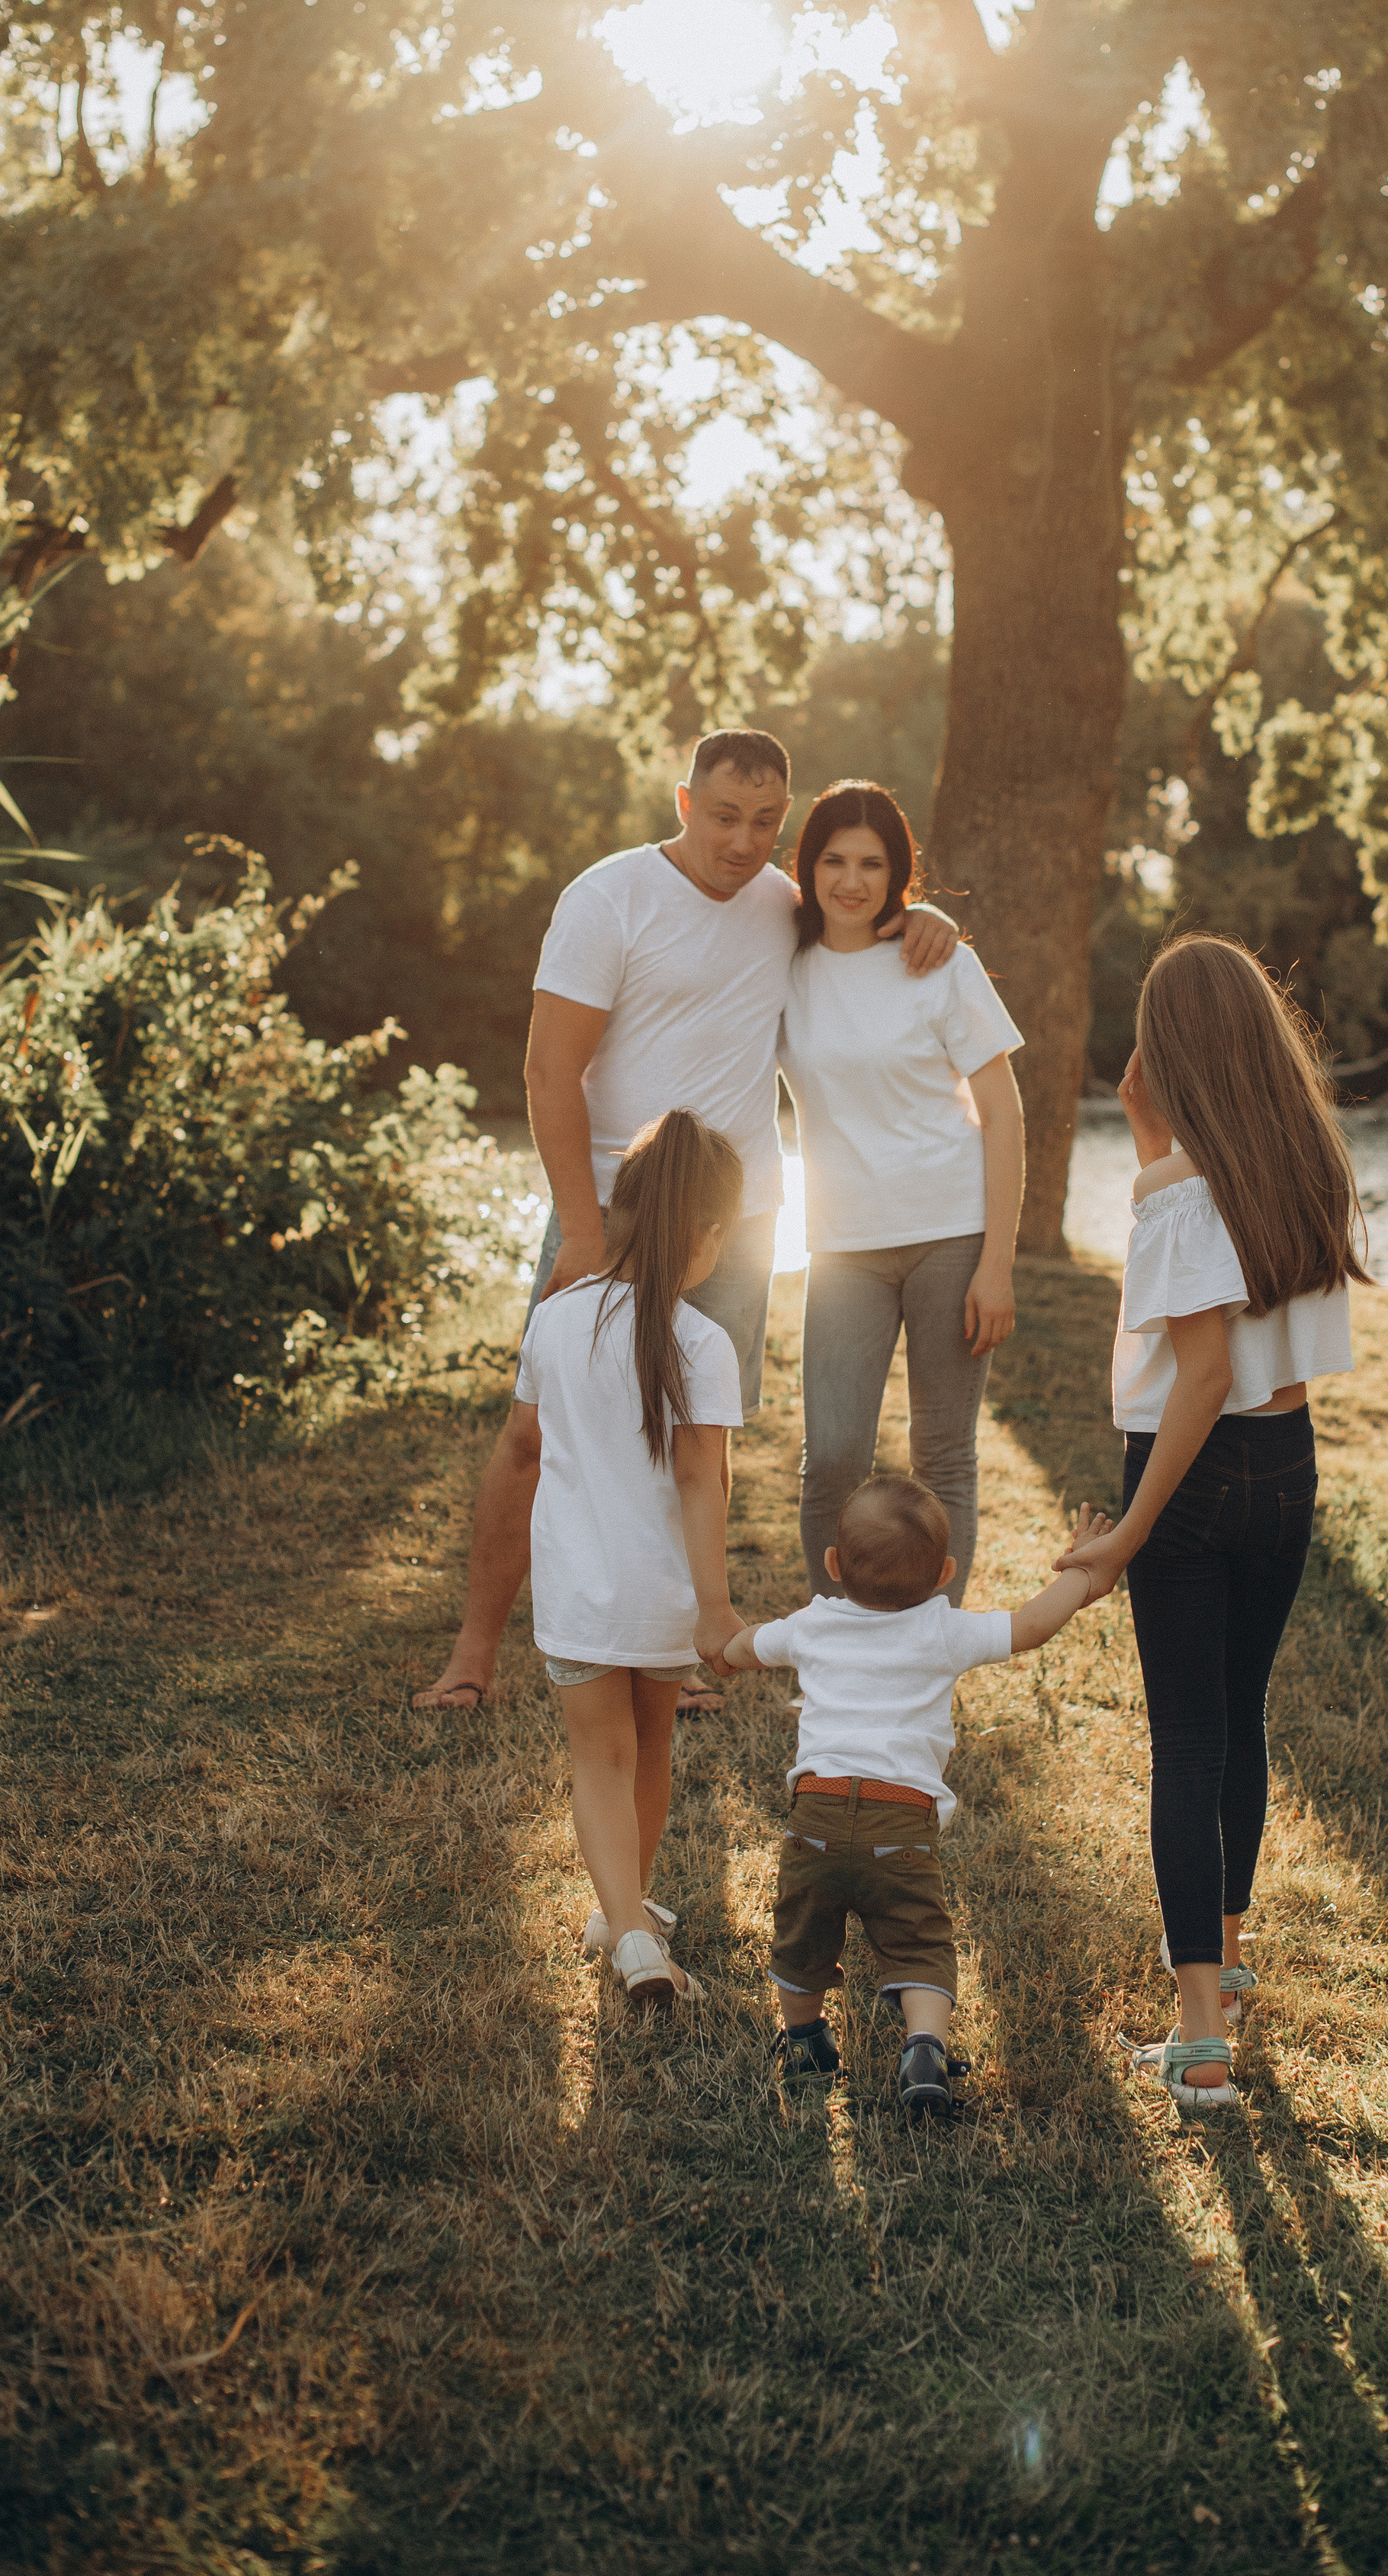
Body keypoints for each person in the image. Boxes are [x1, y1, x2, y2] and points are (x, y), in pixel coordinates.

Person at [413, 728, 956, 1715]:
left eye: (765, 822)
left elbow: (867, 919)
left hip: (737, 1222)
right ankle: (472, 1653)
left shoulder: (784, 906)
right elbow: (548, 1072)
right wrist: (583, 1229)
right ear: (683, 802)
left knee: (698, 1440)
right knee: (535, 1434)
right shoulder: (607, 898)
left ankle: (674, 1650)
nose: (743, 841)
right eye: (724, 816)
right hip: (609, 1212)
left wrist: (930, 923)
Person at [1059, 936, 1367, 2113]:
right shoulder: (1307, 1160)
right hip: (1287, 1465)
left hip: (1191, 1474)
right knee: (1239, 1719)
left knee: (1186, 1743)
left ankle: (1199, 2039)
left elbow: (1200, 1374)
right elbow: (1245, 1328)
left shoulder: (1178, 1189)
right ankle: (1225, 1959)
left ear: (1168, 1050)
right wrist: (1153, 1144)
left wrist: (1130, 1530)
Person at [710, 1474, 1120, 2119]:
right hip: (902, 1820)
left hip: (816, 1812)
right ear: (945, 1575)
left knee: (801, 1934)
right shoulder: (943, 1629)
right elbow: (1032, 1625)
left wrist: (724, 1652)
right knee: (919, 1940)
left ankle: (804, 2042)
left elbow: (741, 1648)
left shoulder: (812, 1624)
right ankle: (924, 2048)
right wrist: (1081, 1573)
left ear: (833, 1564)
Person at [469, 1109, 749, 2006]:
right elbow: (703, 1482)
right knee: (651, 1748)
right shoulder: (701, 1343)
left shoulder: (554, 1321)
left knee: (600, 1759)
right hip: (663, 1597)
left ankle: (624, 1922)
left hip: (578, 1594)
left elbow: (526, 1443)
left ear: (619, 1213)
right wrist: (715, 1607)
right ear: (707, 1236)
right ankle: (627, 1921)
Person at [776, 780, 1024, 1606]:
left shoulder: (941, 963)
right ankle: (834, 1640)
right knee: (833, 1457)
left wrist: (997, 1263)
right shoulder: (782, 964)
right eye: (834, 861)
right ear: (808, 867)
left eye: (872, 864)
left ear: (898, 874)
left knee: (942, 1455)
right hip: (842, 1244)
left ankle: (932, 1643)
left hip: (950, 1234)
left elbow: (1002, 1114)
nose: (851, 881)